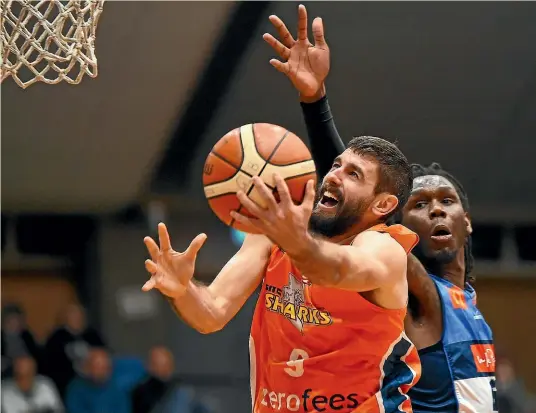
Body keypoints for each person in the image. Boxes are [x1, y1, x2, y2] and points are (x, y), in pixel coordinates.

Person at [262, 4, 496, 412]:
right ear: (390, 216)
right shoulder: (418, 288)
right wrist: (315, 102)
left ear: (468, 222)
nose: (436, 211)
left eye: (446, 201)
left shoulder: (465, 299)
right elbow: (352, 191)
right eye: (419, 205)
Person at [142, 130, 421, 412]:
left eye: (354, 174)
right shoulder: (273, 235)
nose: (335, 175)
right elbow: (211, 312)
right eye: (337, 165)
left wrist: (294, 240)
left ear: (382, 204)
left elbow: (336, 270)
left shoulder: (385, 248)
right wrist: (182, 289)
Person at [44, 303, 106, 397]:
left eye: (79, 316)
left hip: (94, 380)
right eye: (73, 316)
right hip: (66, 383)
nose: (76, 319)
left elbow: (104, 356)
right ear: (66, 318)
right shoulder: (56, 338)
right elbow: (51, 364)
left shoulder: (92, 335)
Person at [64, 348, 129, 413]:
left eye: (105, 367)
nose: (102, 371)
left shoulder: (117, 387)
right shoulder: (76, 389)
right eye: (97, 367)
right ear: (87, 368)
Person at [1, 304, 43, 378]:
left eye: (17, 320)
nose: (14, 323)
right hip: (8, 371)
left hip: (28, 368)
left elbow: (36, 354)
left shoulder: (26, 335)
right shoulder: (2, 336)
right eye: (11, 320)